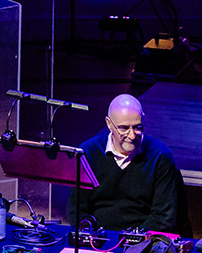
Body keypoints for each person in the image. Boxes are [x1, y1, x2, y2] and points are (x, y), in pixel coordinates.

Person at [73, 94, 183, 233]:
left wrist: (133, 241)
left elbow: (163, 217)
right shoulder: (88, 153)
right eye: (124, 128)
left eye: (138, 127)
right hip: (98, 237)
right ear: (109, 124)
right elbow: (77, 210)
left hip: (142, 242)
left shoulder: (160, 156)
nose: (132, 136)